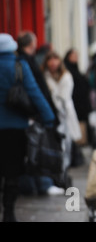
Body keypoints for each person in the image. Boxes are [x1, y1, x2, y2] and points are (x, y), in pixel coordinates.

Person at [0, 33, 55, 222]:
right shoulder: (19, 66)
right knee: (12, 172)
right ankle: (8, 212)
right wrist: (49, 117)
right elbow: (35, 92)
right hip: (16, 128)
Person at [42, 51, 82, 174]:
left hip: (65, 113)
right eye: (50, 59)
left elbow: (64, 97)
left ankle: (64, 167)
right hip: (50, 113)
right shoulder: (44, 76)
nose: (53, 63)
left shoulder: (66, 76)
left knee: (66, 142)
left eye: (55, 59)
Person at [64, 48, 92, 147]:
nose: (76, 58)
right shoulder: (68, 71)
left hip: (81, 105)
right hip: (75, 104)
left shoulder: (75, 70)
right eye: (74, 56)